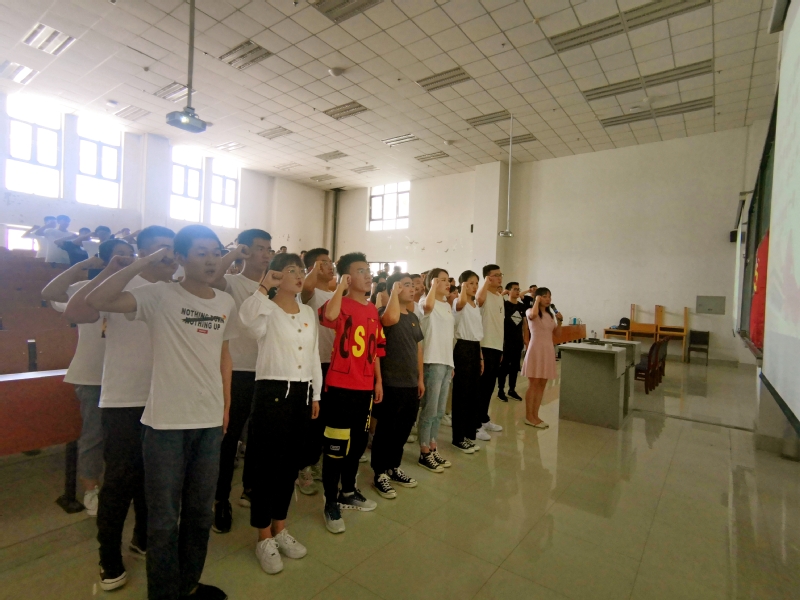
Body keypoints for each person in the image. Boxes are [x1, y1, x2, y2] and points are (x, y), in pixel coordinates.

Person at [87, 224, 237, 600]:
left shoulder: (224, 303)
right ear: (180, 258)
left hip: (208, 423)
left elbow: (223, 356)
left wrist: (225, 406)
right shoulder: (159, 295)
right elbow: (97, 299)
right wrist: (145, 261)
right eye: (201, 252)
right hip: (165, 424)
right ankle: (164, 593)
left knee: (200, 514)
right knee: (164, 519)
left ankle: (189, 584)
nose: (211, 260)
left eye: (216, 252)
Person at [239, 252, 321, 575]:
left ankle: (280, 527)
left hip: (302, 393)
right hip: (272, 393)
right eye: (291, 270)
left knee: (289, 466)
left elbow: (313, 355)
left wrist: (315, 393)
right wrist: (264, 286)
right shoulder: (266, 310)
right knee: (265, 466)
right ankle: (263, 536)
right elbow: (246, 322)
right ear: (276, 275)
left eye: (301, 270)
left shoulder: (308, 312)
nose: (299, 275)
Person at [40, 240, 134, 518]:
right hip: (93, 375)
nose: (126, 259)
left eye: (130, 255)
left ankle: (121, 486)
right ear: (105, 259)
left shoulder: (136, 289)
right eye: (120, 256)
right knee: (94, 435)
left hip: (127, 375)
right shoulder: (85, 288)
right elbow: (50, 293)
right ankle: (91, 488)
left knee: (125, 438)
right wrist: (84, 265)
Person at [209, 229, 273, 533]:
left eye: (268, 248)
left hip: (268, 370)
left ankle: (251, 487)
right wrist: (234, 253)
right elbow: (211, 278)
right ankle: (220, 499)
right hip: (238, 370)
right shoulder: (232, 283)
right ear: (246, 250)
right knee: (229, 438)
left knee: (259, 438)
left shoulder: (275, 286)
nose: (266, 253)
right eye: (259, 248)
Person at [318, 252, 384, 534]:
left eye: (369, 270)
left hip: (365, 388)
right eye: (361, 271)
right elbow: (328, 317)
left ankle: (348, 491)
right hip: (340, 388)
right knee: (336, 448)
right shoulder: (340, 304)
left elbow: (376, 349)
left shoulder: (372, 310)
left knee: (357, 445)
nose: (368, 275)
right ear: (347, 276)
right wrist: (340, 288)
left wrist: (378, 381)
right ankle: (330, 501)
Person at [371, 272, 424, 498]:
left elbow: (418, 349)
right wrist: (393, 292)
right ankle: (380, 472)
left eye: (412, 285)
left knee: (403, 428)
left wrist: (420, 379)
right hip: (391, 382)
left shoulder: (413, 317)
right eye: (406, 285)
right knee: (386, 430)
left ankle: (394, 466)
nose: (412, 289)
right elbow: (390, 319)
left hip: (410, 383)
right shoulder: (384, 313)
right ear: (394, 288)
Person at [299, 247, 336, 492]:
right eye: (324, 262)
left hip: (334, 363)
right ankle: (303, 466)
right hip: (314, 363)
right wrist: (313, 269)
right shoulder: (309, 293)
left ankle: (316, 460)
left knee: (326, 418)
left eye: (331, 262)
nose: (330, 266)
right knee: (311, 419)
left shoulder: (335, 293)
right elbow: (307, 286)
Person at [417, 268, 454, 473]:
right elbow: (428, 307)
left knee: (439, 411)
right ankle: (424, 452)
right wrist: (431, 286)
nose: (448, 284)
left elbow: (449, 336)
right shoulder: (425, 302)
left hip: (446, 362)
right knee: (429, 410)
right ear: (432, 282)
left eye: (448, 280)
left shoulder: (447, 305)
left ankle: (432, 445)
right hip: (432, 361)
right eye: (443, 280)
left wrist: (451, 364)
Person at [451, 270, 483, 453]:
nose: (474, 286)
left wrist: (481, 357)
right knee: (461, 394)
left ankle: (469, 434)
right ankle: (458, 437)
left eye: (476, 283)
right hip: (462, 348)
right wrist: (463, 288)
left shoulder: (475, 304)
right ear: (463, 284)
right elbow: (460, 303)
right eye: (471, 283)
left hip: (475, 347)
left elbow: (477, 332)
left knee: (473, 393)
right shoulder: (458, 301)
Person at [522, 287, 563, 429]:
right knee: (533, 384)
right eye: (544, 296)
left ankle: (536, 415)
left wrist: (560, 321)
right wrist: (536, 300)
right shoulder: (530, 311)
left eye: (549, 296)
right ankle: (529, 416)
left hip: (547, 350)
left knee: (542, 384)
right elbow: (533, 315)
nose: (548, 299)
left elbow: (558, 334)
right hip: (536, 350)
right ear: (538, 298)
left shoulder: (550, 315)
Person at [476, 264, 505, 441]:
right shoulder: (483, 294)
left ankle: (484, 418)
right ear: (487, 277)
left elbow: (499, 325)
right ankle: (475, 424)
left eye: (501, 274)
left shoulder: (499, 297)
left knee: (489, 386)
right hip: (485, 345)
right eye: (495, 275)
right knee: (481, 387)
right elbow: (478, 301)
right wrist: (486, 283)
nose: (499, 277)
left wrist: (501, 348)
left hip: (496, 346)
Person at [498, 282, 529, 402]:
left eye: (518, 289)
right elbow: (496, 302)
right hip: (506, 340)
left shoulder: (521, 306)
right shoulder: (504, 304)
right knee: (504, 366)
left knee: (515, 366)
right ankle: (501, 390)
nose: (517, 291)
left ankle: (512, 389)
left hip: (518, 341)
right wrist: (503, 293)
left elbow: (525, 324)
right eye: (514, 289)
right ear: (508, 291)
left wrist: (525, 338)